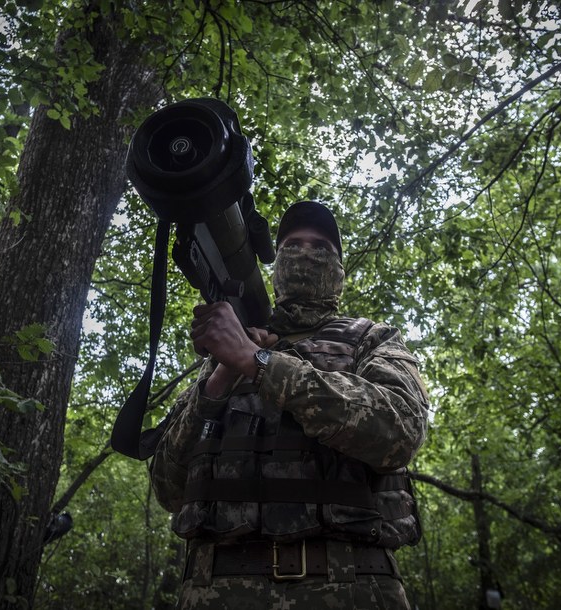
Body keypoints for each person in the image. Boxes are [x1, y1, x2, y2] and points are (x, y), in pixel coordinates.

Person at [149, 200, 430, 609]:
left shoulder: (374, 339)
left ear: (339, 269)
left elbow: (399, 431)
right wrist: (222, 375)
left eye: (321, 246)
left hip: (349, 588)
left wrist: (258, 363)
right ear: (275, 265)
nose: (305, 253)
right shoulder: (225, 358)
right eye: (292, 245)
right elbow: (168, 489)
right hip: (215, 593)